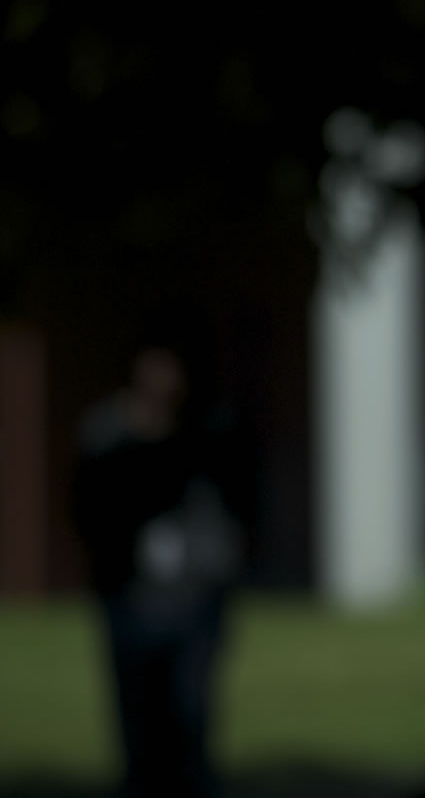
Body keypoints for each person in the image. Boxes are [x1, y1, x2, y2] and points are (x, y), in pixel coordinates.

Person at [72, 334, 245, 798]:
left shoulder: (208, 432)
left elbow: (239, 507)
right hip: (131, 598)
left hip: (193, 599)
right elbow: (85, 508)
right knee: (137, 722)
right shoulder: (106, 432)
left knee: (190, 717)